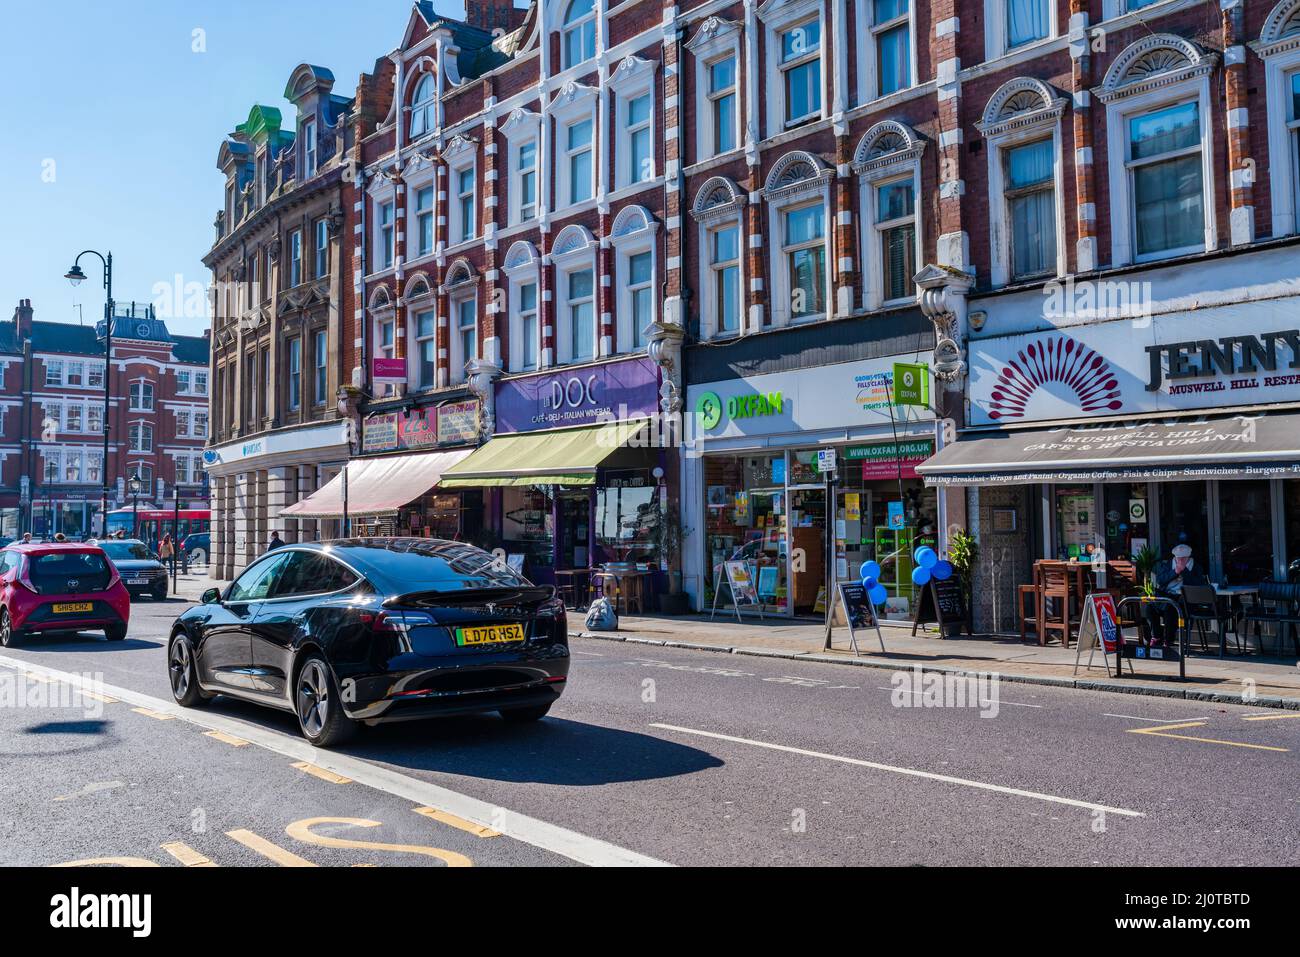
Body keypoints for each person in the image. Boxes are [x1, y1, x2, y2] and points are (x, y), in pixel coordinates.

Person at [1148, 543, 1208, 646]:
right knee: (1150, 608)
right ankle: (1156, 636)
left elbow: (1198, 584)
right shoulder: (1168, 564)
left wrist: (1184, 571)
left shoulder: (1196, 566)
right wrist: (1175, 572)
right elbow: (1160, 580)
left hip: (1185, 599)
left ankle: (1168, 640)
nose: (1180, 561)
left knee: (1170, 609)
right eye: (1178, 558)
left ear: (1188, 557)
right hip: (1167, 595)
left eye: (1183, 559)